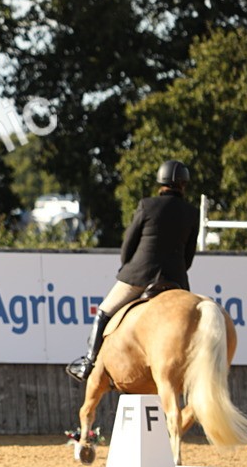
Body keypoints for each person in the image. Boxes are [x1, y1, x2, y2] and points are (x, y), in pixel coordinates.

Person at [66, 160, 198, 381]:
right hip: (176, 279)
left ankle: (89, 363)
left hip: (140, 275)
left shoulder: (147, 205)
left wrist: (128, 266)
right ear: (184, 184)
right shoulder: (192, 213)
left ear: (160, 182)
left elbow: (129, 244)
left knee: (104, 312)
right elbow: (188, 257)